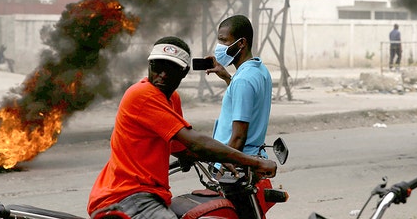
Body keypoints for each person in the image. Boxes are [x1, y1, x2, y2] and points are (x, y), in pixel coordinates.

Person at [87, 36, 276, 219]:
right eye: (157, 67)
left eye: (170, 69)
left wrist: (220, 157)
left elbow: (182, 149)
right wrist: (255, 162)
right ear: (149, 66)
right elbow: (195, 142)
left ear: (183, 73)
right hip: (126, 196)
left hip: (149, 194)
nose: (161, 75)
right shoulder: (142, 94)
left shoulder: (172, 99)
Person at [206, 15, 273, 158]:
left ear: (241, 43)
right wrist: (227, 78)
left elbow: (238, 137)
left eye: (224, 41)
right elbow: (246, 101)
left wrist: (222, 170)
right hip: (253, 157)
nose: (219, 47)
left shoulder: (243, 80)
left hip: (237, 166)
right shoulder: (259, 70)